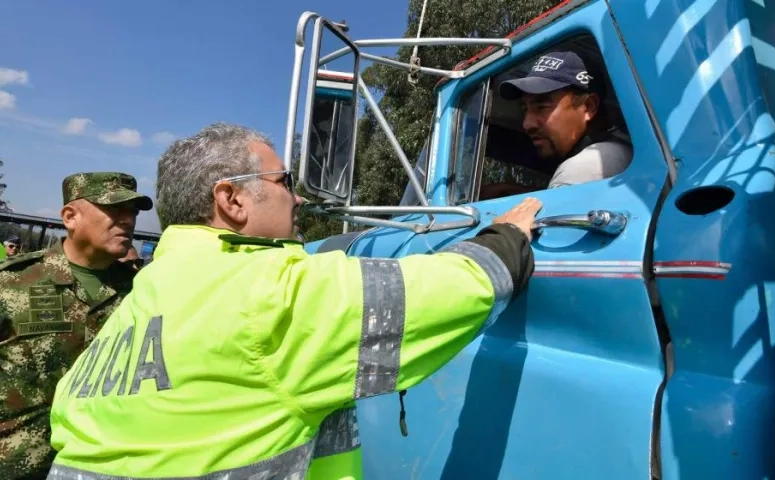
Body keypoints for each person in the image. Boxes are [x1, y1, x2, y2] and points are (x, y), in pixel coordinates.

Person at [47, 123, 542, 479]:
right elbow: (462, 287)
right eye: (284, 182)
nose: (299, 198)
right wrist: (508, 235)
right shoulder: (267, 293)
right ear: (231, 200)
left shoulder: (146, 293)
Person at [0, 172, 152, 478]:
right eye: (114, 209)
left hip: (101, 466)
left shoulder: (142, 292)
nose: (128, 221)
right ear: (70, 217)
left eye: (132, 212)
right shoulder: (11, 283)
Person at [482, 50, 633, 199]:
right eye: (525, 109)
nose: (527, 124)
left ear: (588, 106)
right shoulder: (622, 154)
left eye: (541, 107)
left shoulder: (578, 171)